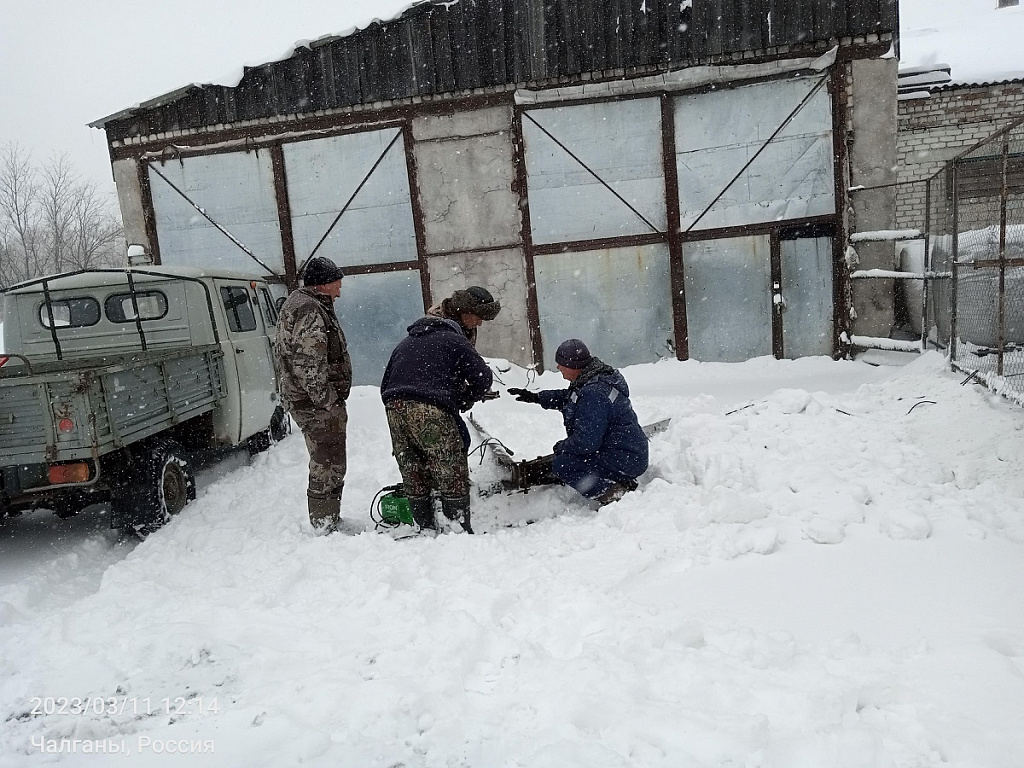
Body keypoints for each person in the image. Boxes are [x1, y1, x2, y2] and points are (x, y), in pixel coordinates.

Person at [380, 311, 495, 534]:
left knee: (412, 466)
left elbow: (386, 384)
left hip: (394, 406)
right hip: (429, 406)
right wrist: (466, 397)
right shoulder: (454, 339)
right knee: (448, 463)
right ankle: (458, 525)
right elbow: (482, 377)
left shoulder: (405, 343)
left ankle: (425, 524)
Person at [508, 339, 648, 505]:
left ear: (572, 366)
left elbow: (586, 443)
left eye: (561, 363)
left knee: (564, 464)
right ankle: (612, 479)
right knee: (568, 455)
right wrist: (536, 397)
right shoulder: (590, 381)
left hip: (625, 459)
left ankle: (613, 492)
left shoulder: (594, 395)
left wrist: (562, 447)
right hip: (624, 451)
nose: (558, 367)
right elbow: (570, 398)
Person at [273, 256, 351, 533]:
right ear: (323, 285)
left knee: (328, 457)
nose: (340, 292)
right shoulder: (309, 309)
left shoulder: (305, 303)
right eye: (337, 286)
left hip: (308, 398)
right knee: (326, 460)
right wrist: (327, 401)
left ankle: (329, 519)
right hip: (314, 402)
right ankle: (323, 524)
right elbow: (309, 362)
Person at [427, 286, 501, 347]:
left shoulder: (467, 326)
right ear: (465, 310)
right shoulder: (436, 326)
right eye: (478, 318)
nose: (479, 324)